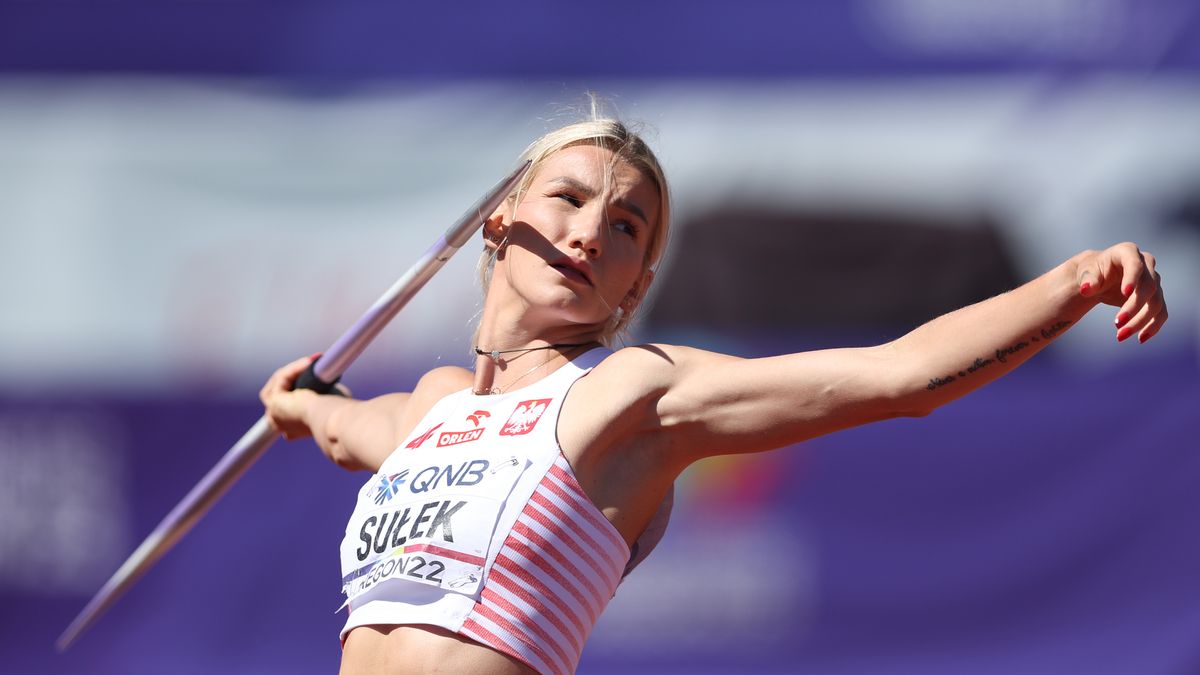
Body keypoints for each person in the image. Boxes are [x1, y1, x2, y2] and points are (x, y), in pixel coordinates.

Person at [259, 113, 1167, 675]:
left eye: (625, 227)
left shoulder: (632, 393)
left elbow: (898, 376)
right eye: (568, 200)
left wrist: (1074, 283)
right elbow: (345, 429)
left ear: (636, 283)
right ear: (501, 224)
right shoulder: (432, 406)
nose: (588, 235)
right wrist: (302, 401)